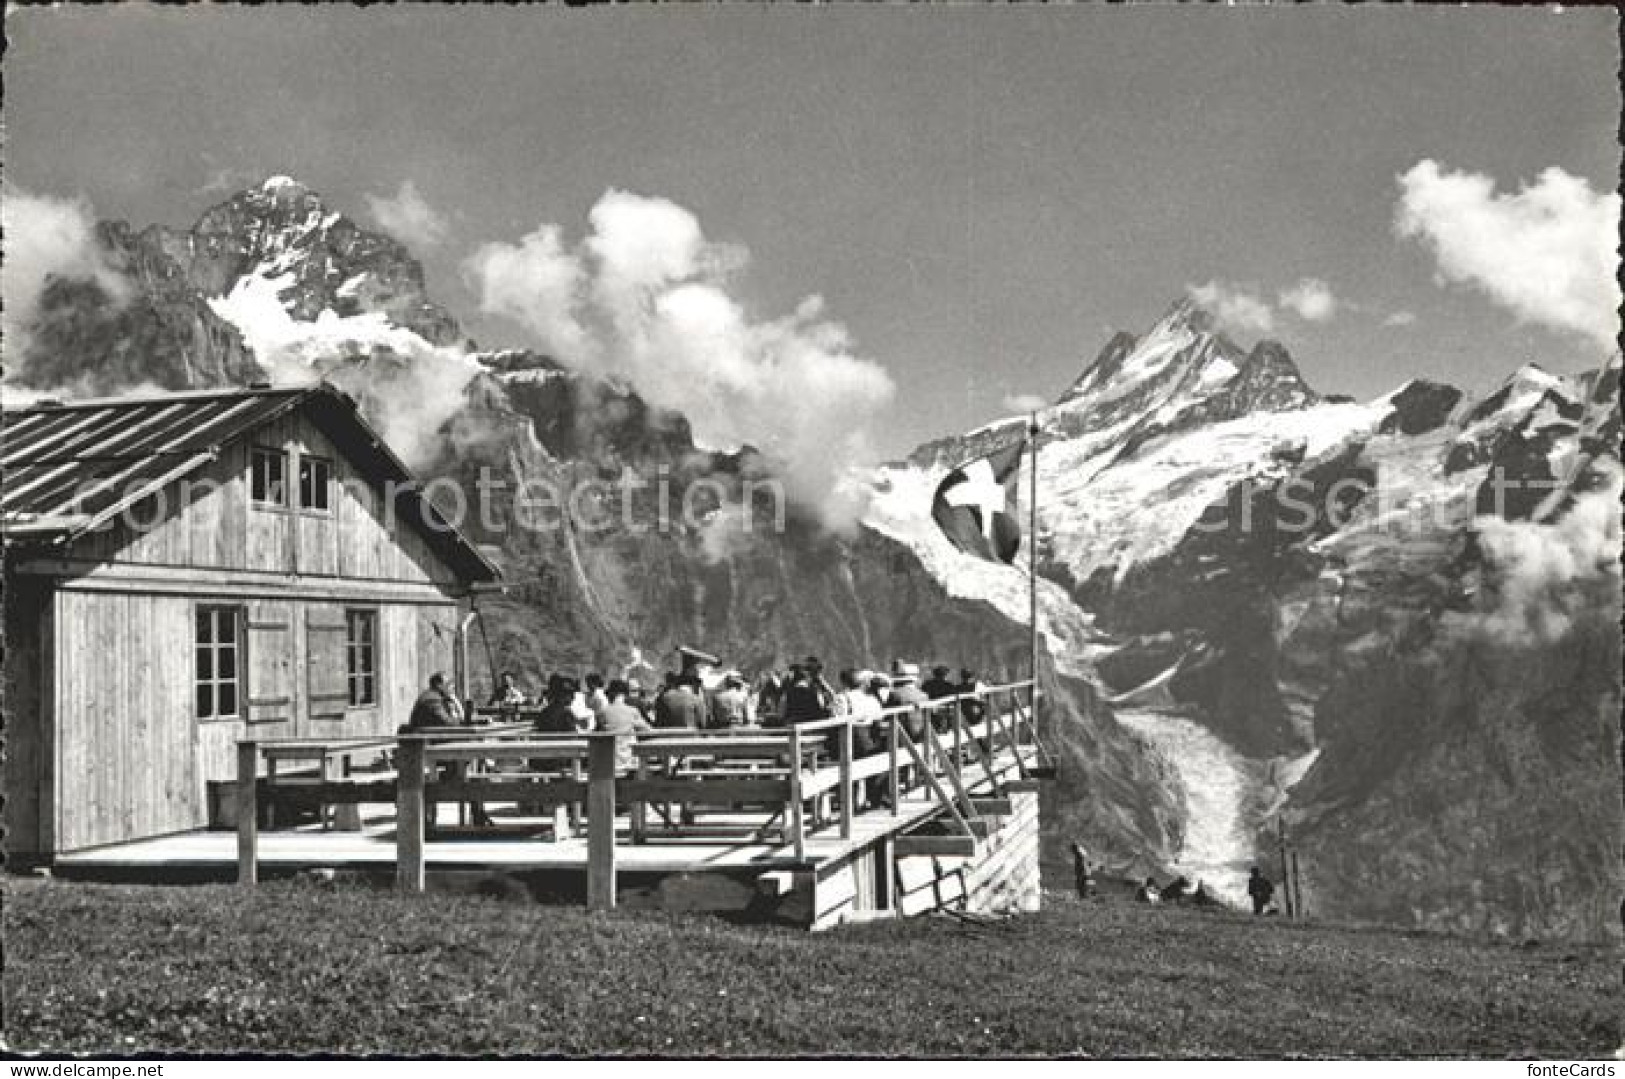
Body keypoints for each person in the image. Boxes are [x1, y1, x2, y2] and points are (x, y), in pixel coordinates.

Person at [599, 679, 653, 774]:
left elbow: (599, 731)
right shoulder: (632, 711)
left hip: (610, 760)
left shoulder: (603, 712)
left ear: (610, 694)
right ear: (625, 695)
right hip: (629, 758)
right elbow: (647, 730)